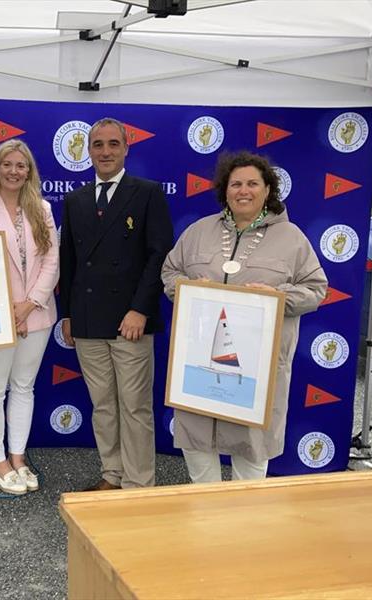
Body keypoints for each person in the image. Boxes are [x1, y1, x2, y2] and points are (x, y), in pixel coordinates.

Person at [161, 150, 327, 482]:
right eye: (236, 184)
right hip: (199, 361)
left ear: (268, 189)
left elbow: (316, 289)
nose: (243, 191)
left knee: (251, 443)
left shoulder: (292, 238)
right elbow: (170, 272)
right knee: (196, 434)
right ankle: (204, 507)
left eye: (253, 183)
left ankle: (244, 517)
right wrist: (188, 289)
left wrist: (278, 298)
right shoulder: (198, 231)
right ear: (225, 190)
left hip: (256, 369)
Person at [59, 117, 174, 490]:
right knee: (104, 406)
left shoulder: (147, 193)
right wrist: (68, 315)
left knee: (135, 407)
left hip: (131, 322)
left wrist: (140, 308)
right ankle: (113, 474)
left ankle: (139, 484)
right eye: (98, 144)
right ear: (88, 151)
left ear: (126, 148)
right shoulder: (75, 201)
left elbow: (159, 256)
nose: (105, 151)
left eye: (113, 144)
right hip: (89, 321)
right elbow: (69, 262)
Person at [0, 139, 60, 495]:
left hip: (37, 315)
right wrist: (10, 309)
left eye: (22, 165)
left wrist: (30, 303)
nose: (15, 171)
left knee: (23, 387)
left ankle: (18, 457)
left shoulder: (43, 209)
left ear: (30, 171)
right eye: (8, 164)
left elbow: (52, 260)